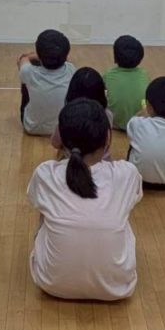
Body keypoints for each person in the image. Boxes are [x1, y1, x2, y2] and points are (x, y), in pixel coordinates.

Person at [27, 99, 142, 300]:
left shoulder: (45, 173)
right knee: (121, 213)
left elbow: (37, 201)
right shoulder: (127, 173)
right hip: (117, 287)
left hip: (51, 283)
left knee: (46, 211)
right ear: (107, 139)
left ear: (61, 138)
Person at [18, 29, 76, 135]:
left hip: (32, 127)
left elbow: (22, 59)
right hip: (61, 129)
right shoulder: (71, 69)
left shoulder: (28, 71)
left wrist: (33, 55)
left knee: (25, 79)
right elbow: (66, 61)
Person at [51, 67, 114, 157]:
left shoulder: (67, 115)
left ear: (71, 92)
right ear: (101, 93)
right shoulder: (108, 115)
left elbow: (55, 143)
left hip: (71, 161)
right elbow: (106, 143)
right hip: (100, 160)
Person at [103, 35, 150, 131]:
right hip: (139, 122)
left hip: (113, 122)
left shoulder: (108, 75)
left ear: (115, 57)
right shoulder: (144, 75)